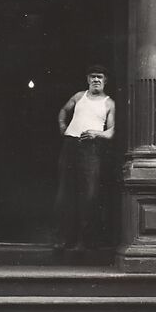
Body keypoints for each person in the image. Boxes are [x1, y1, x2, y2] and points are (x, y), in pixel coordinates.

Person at [53, 65, 115, 252]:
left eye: (100, 77)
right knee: (65, 193)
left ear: (105, 81)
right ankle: (63, 239)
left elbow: (112, 131)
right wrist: (63, 127)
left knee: (88, 195)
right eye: (93, 77)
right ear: (88, 79)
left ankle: (84, 241)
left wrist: (97, 134)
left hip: (91, 150)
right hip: (70, 146)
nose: (96, 80)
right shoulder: (79, 96)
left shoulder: (109, 103)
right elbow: (63, 111)